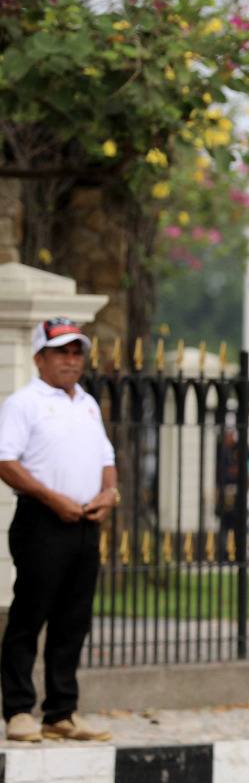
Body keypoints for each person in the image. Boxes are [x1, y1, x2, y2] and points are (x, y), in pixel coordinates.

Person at [0, 319, 118, 744]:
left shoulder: (86, 403)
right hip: (43, 521)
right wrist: (53, 500)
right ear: (39, 358)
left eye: (76, 352)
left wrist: (108, 494)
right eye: (60, 352)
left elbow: (106, 457)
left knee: (73, 620)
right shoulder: (24, 404)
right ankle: (18, 710)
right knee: (29, 616)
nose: (71, 360)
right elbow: (6, 462)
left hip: (85, 522)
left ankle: (61, 712)